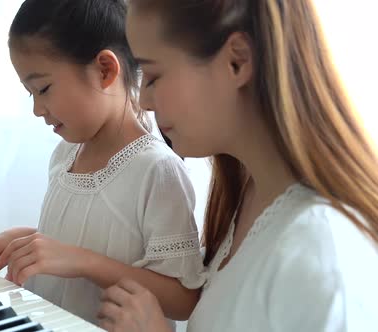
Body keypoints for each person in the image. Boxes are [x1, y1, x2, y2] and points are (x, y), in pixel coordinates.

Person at [98, 0, 378, 331]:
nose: (143, 100)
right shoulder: (249, 198)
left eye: (155, 76)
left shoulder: (322, 252)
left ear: (237, 61)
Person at [0, 0, 205, 325]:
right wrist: (17, 240)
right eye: (30, 94)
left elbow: (183, 299)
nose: (37, 109)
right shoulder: (65, 156)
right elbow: (80, 239)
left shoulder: (156, 170)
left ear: (104, 70)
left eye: (43, 88)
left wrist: (84, 262)